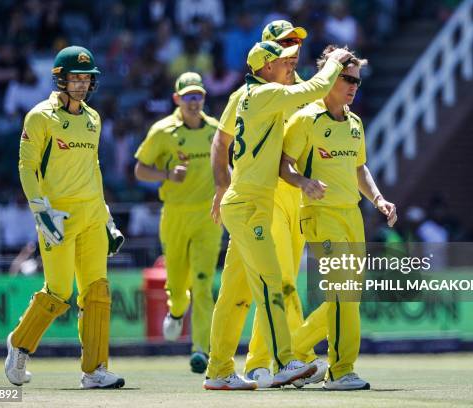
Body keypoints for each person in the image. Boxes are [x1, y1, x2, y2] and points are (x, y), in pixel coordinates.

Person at [204, 38, 353, 390]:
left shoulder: (251, 95)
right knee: (271, 282)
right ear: (266, 67)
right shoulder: (262, 93)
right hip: (251, 204)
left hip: (246, 202)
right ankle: (286, 361)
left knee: (232, 293)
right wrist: (337, 61)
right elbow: (317, 87)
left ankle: (219, 370)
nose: (290, 64)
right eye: (283, 60)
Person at [4, 45, 125, 389]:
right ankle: (19, 344)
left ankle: (95, 370)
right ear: (60, 79)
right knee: (58, 293)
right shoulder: (40, 116)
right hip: (56, 215)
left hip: (91, 215)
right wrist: (40, 211)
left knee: (97, 292)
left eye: (86, 78)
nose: (81, 85)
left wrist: (107, 216)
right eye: (75, 78)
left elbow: (95, 169)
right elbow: (26, 167)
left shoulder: (93, 119)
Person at [280, 45, 397, 390]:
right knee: (343, 291)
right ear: (329, 77)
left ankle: (294, 350)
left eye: (356, 81)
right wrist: (303, 181)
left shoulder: (355, 123)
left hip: (352, 215)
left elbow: (359, 168)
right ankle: (340, 370)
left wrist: (378, 198)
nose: (352, 86)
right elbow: (283, 164)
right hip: (320, 215)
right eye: (346, 78)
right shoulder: (306, 120)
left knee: (347, 296)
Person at [134, 72, 222, 374]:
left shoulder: (216, 130)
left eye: (198, 95)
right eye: (188, 96)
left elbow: (227, 169)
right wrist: (168, 175)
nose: (193, 102)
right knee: (177, 283)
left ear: (204, 99)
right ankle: (175, 311)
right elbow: (140, 170)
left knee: (202, 283)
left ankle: (200, 349)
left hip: (208, 216)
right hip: (174, 213)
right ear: (177, 99)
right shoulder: (163, 131)